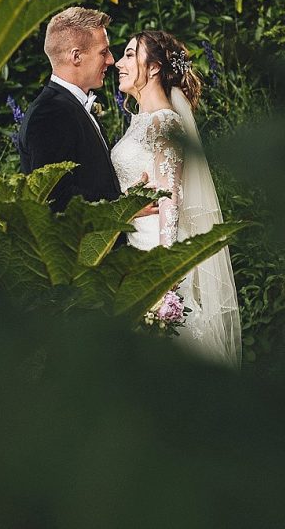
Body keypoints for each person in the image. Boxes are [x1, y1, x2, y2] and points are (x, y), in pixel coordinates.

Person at [111, 29, 241, 368]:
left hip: (154, 253)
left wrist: (165, 278)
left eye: (128, 55)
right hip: (134, 248)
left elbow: (171, 201)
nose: (119, 64)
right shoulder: (140, 120)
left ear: (153, 68)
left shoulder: (165, 123)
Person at [17, 7, 156, 219]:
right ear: (76, 56)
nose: (111, 60)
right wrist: (121, 207)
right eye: (103, 52)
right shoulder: (49, 113)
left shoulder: (70, 105)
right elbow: (55, 198)